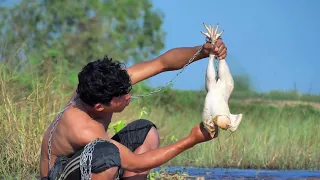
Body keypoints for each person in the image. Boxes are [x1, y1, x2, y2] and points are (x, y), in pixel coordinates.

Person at [39, 39, 227, 180]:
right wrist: (192, 139)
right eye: (122, 96)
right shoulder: (82, 127)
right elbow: (136, 163)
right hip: (59, 176)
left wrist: (202, 51)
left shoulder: (102, 87)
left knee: (146, 132)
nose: (128, 96)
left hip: (86, 162)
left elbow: (162, 63)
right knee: (106, 156)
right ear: (99, 106)